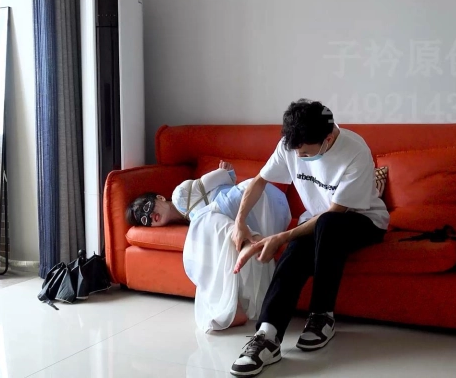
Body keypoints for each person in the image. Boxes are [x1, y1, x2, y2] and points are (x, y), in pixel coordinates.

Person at [229, 99, 389, 377]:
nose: (298, 157)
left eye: (304, 153)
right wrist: (239, 222)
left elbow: (336, 211)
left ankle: (322, 316)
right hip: (320, 222)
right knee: (299, 246)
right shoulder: (291, 144)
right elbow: (260, 180)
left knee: (324, 224)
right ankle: (267, 335)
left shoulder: (355, 151)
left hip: (364, 220)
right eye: (295, 152)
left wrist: (280, 237)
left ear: (328, 140)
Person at [126, 161, 291, 332]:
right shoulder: (191, 217)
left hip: (254, 197)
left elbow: (223, 177)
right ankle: (234, 304)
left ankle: (249, 242)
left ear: (160, 197)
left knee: (203, 222)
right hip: (269, 214)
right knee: (207, 228)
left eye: (147, 206)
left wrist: (223, 171)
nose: (150, 215)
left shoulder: (179, 194)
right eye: (145, 219)